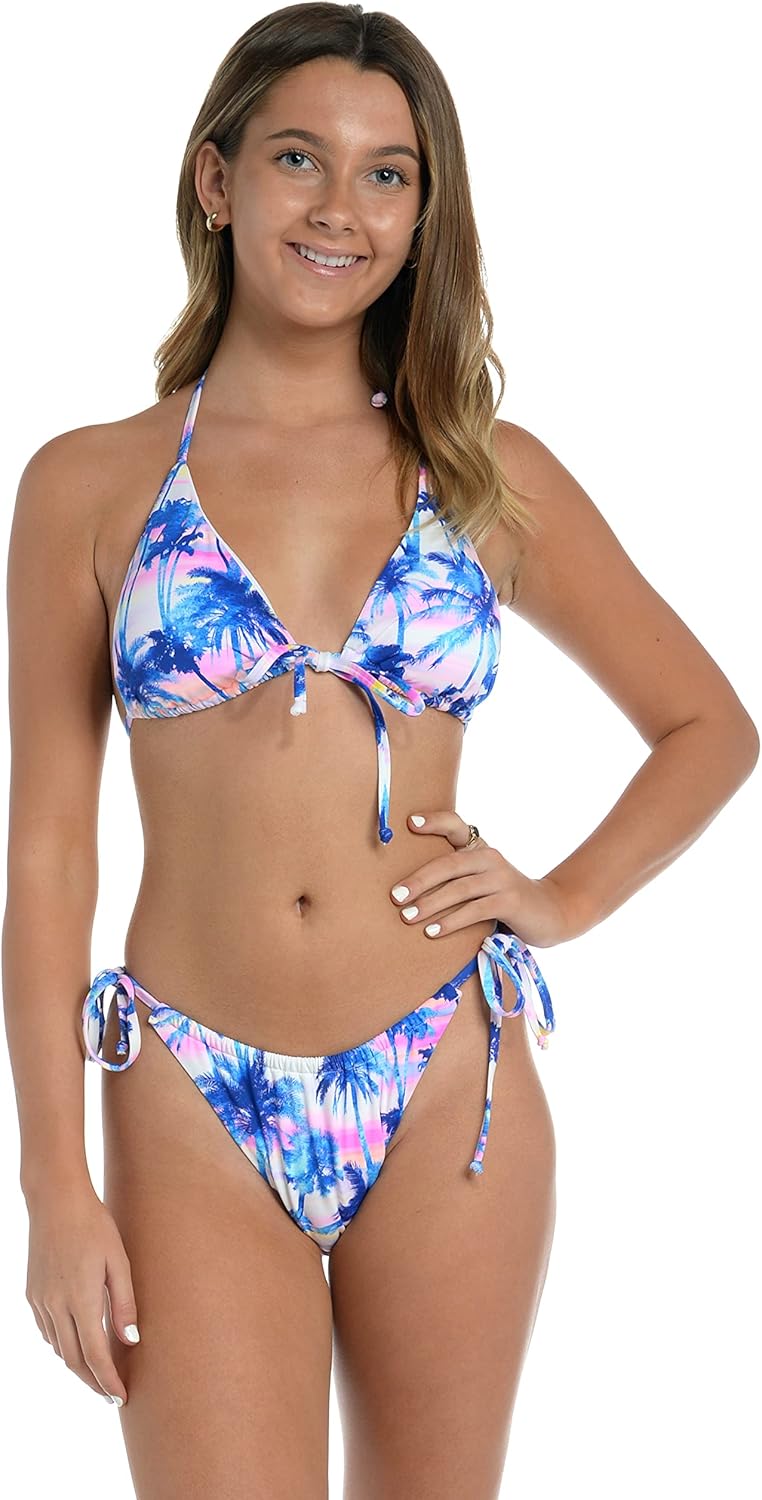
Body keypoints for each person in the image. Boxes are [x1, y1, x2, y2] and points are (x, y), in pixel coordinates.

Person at [4, 4, 758, 1496]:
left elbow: (708, 728)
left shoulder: (479, 473)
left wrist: (558, 899)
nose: (338, 207)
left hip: (444, 1084)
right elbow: (48, 846)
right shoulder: (87, 485)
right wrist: (52, 1186)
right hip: (187, 1089)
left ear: (422, 217)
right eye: (298, 158)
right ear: (215, 181)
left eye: (387, 174)